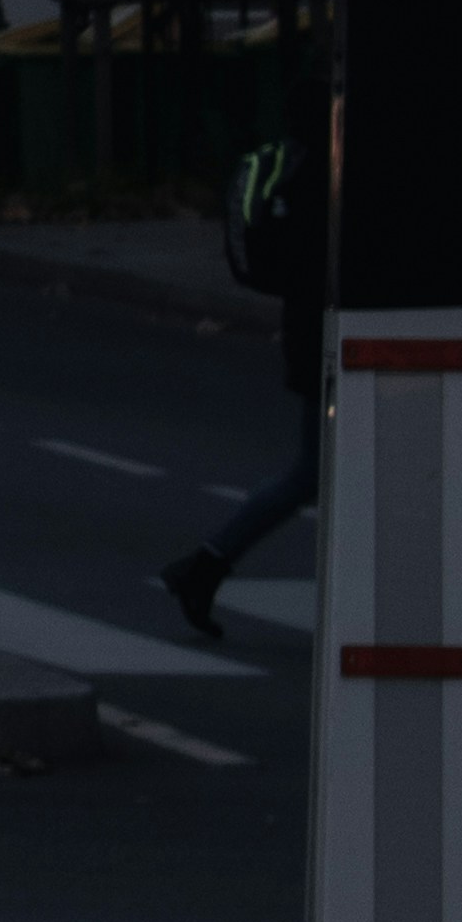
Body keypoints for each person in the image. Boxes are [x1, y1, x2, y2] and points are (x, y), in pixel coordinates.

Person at [161, 102, 336, 640]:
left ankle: (206, 566)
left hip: (317, 332)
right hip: (335, 335)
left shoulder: (311, 159)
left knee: (322, 469)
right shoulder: (326, 172)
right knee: (319, 470)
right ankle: (205, 565)